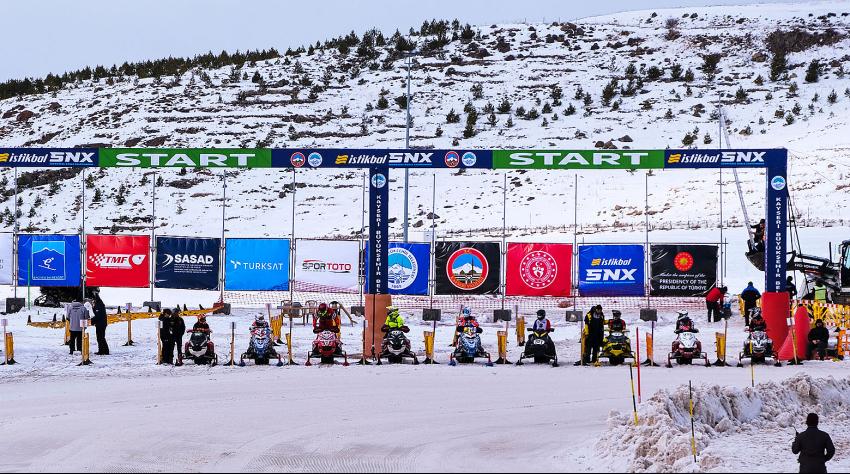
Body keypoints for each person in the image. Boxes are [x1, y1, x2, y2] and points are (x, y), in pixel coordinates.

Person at [91, 289, 109, 355]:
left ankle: (102, 351)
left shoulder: (99, 305)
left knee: (100, 337)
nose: (93, 302)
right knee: (101, 337)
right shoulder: (99, 304)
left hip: (101, 324)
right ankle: (104, 350)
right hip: (101, 323)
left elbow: (98, 315)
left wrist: (92, 321)